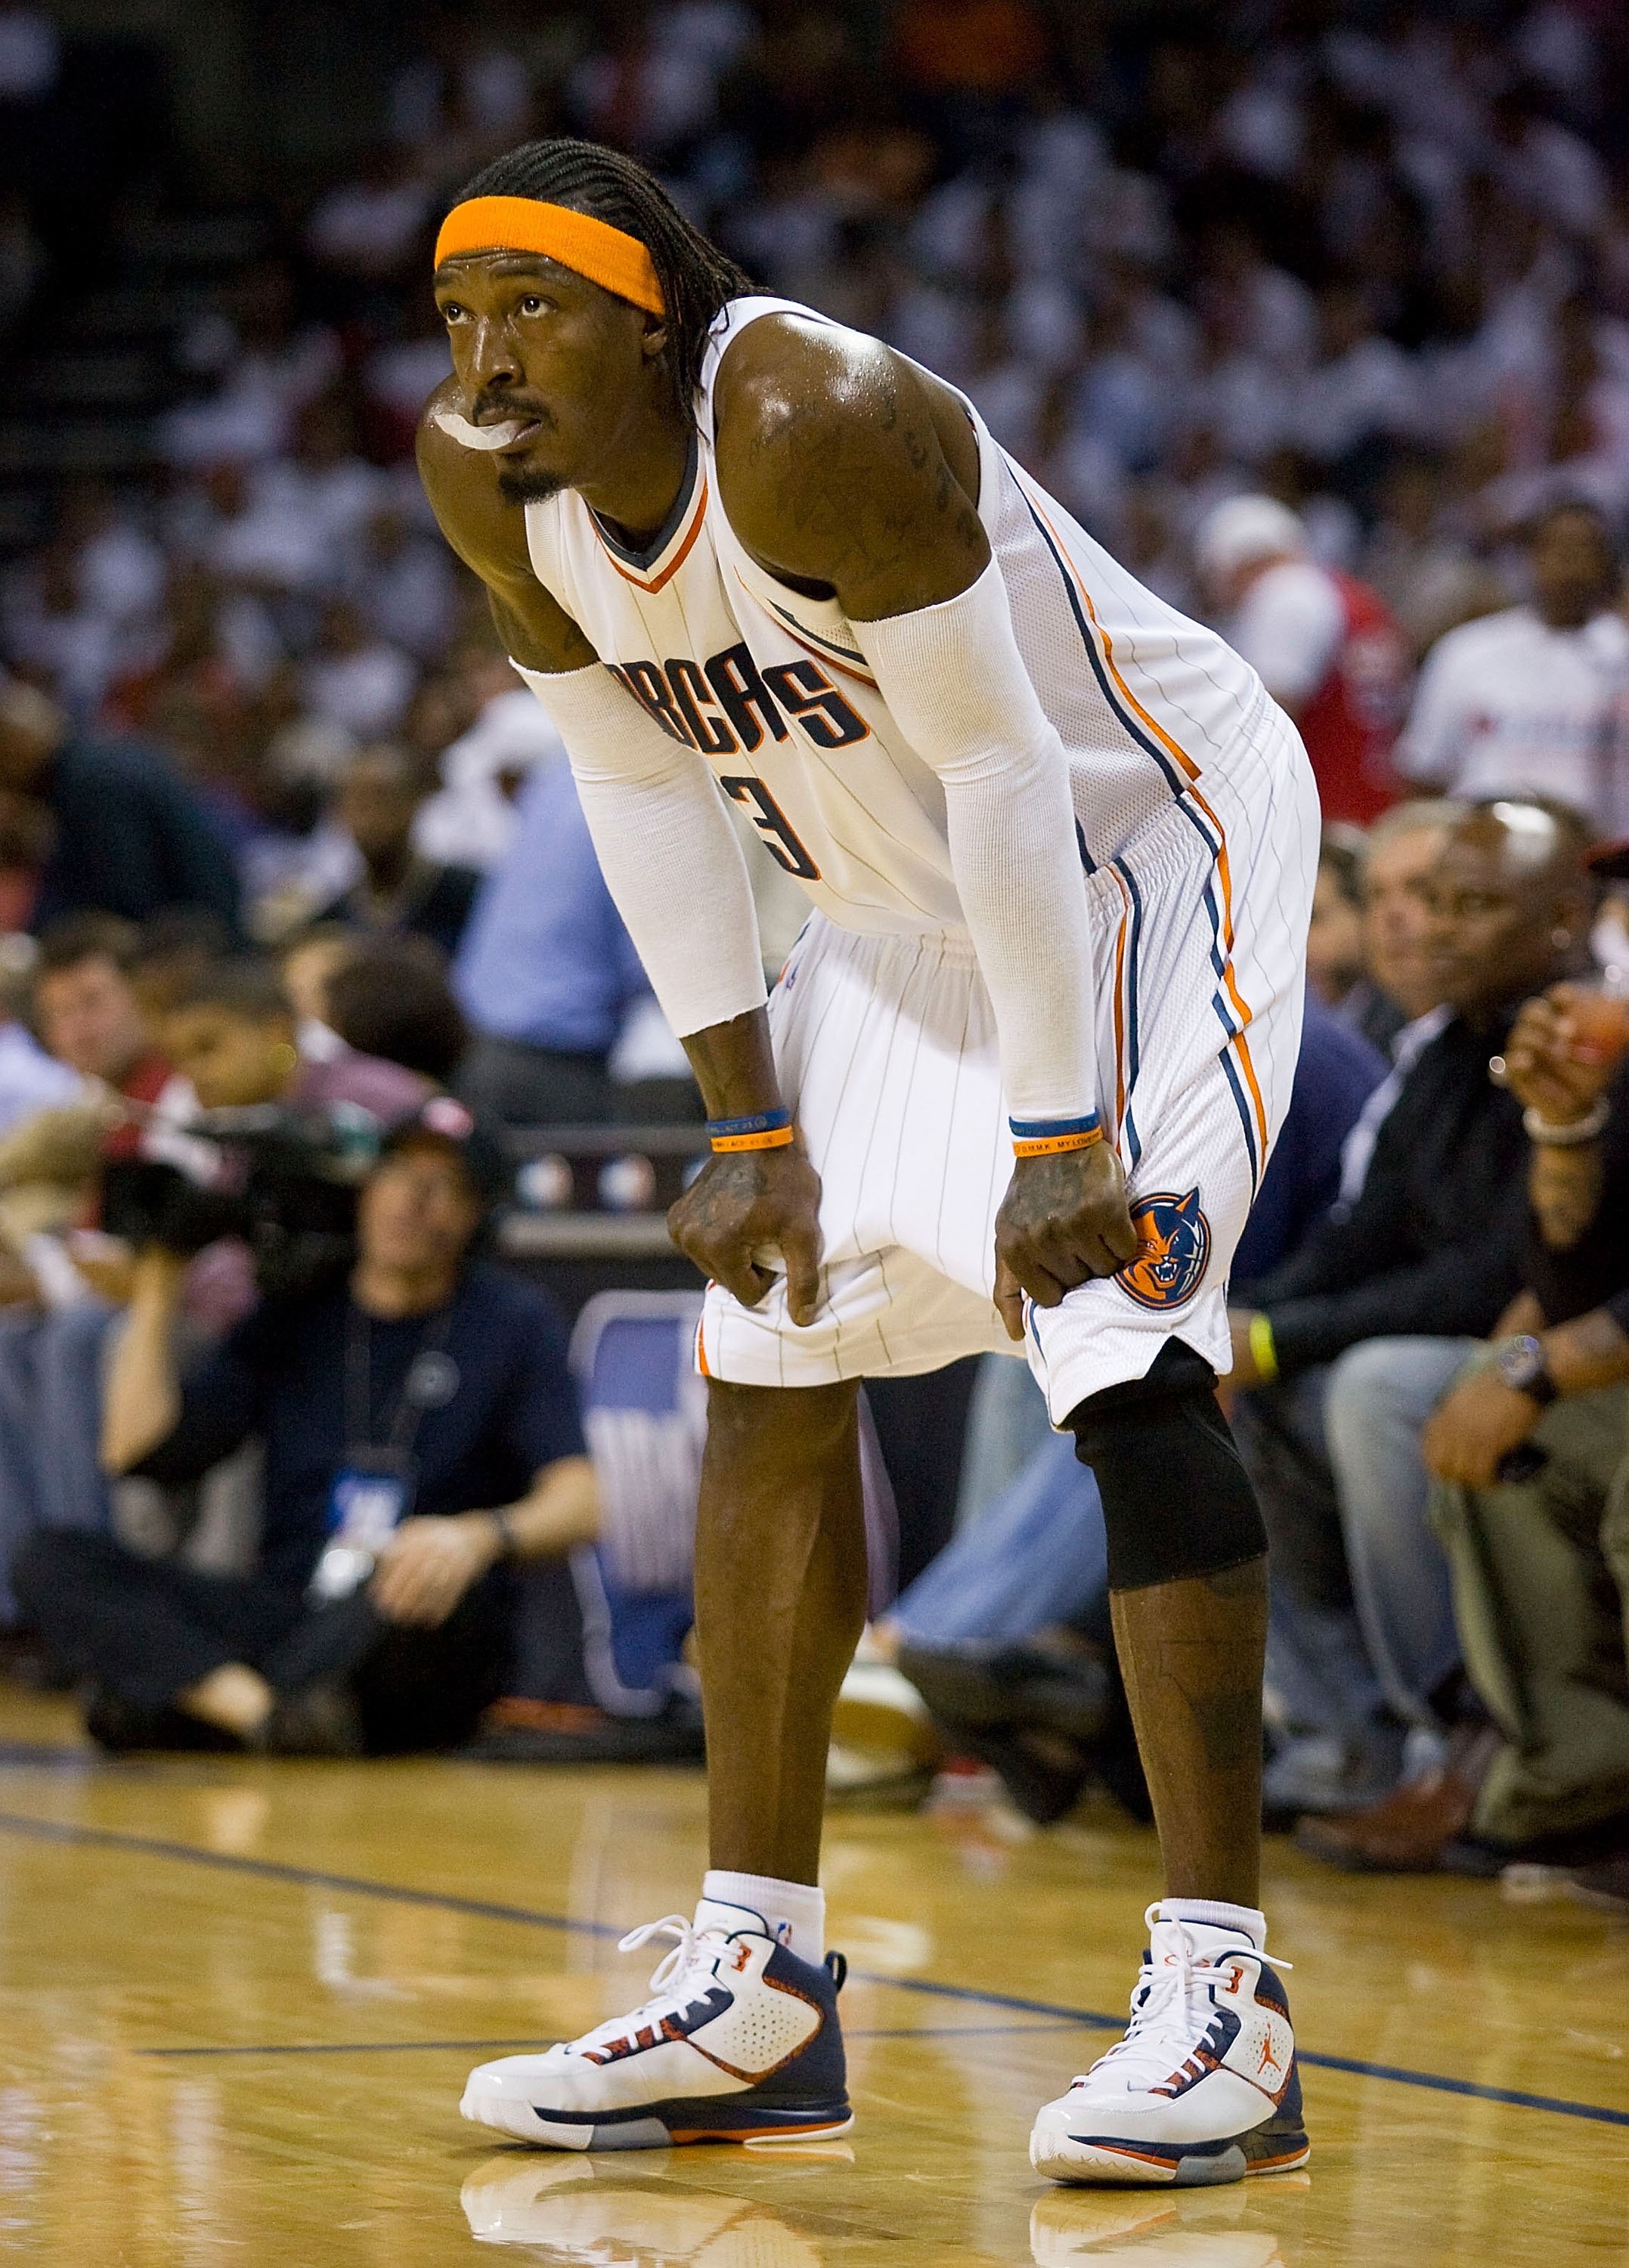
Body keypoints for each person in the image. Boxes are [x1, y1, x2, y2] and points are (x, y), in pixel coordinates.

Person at [419, 138, 1317, 2180]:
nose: (486, 358)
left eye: (531, 309)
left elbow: (1013, 768)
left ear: (650, 314)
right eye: (456, 316)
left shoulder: (811, 416)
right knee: (772, 1345)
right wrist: (743, 1122)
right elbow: (634, 775)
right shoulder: (487, 475)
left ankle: (1225, 2004)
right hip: (897, 893)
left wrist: (1058, 1124)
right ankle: (756, 1985)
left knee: (1121, 1342)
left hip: (1133, 851)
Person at [15, 1099, 599, 1755]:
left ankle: (195, 1701)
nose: (412, 1202)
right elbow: (137, 1451)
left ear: (476, 1216)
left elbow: (581, 1501)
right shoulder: (297, 1313)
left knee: (434, 1603)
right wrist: (159, 1283)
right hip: (289, 1608)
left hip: (406, 1615)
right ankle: (266, 1715)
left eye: (444, 1188)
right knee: (51, 1558)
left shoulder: (511, 1322)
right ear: (366, 1189)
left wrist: (475, 1537)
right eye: (398, 1175)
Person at [1228, 799, 1595, 1814]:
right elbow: (1358, 1240)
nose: (1430, 927)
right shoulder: (1444, 1053)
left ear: (1562, 921)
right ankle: (1346, 1741)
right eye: (1424, 901)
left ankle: (1457, 1738)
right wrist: (1237, 1330)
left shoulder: (1584, 1038)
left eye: (1468, 906)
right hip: (1471, 1350)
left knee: (1373, 1387)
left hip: (1539, 1357)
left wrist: (1275, 1335)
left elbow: (1495, 1274)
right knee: (1225, 1389)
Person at [1395, 502, 1629, 831]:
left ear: (1609, 565)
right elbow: (1424, 772)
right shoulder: (1468, 650)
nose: (1570, 565)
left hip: (1597, 858)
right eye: (1556, 549)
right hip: (1482, 851)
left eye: (1586, 550)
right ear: (1530, 557)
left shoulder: (1621, 653)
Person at [452, 751, 658, 1126]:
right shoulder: (642, 795)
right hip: (559, 1056)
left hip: (479, 1037)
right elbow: (655, 960)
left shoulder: (557, 776)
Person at [1197, 494, 1409, 826]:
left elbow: (1268, 715)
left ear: (1238, 564)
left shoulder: (1286, 593)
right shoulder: (1354, 594)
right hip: (1370, 798)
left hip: (1321, 811)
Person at [0, 674, 241, 934]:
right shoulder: (92, 760)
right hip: (202, 910)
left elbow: (127, 893)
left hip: (203, 928)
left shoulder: (88, 782)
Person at [314, 742, 482, 959]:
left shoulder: (468, 894)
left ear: (414, 803)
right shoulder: (333, 921)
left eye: (382, 799)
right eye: (357, 803)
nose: (370, 819)